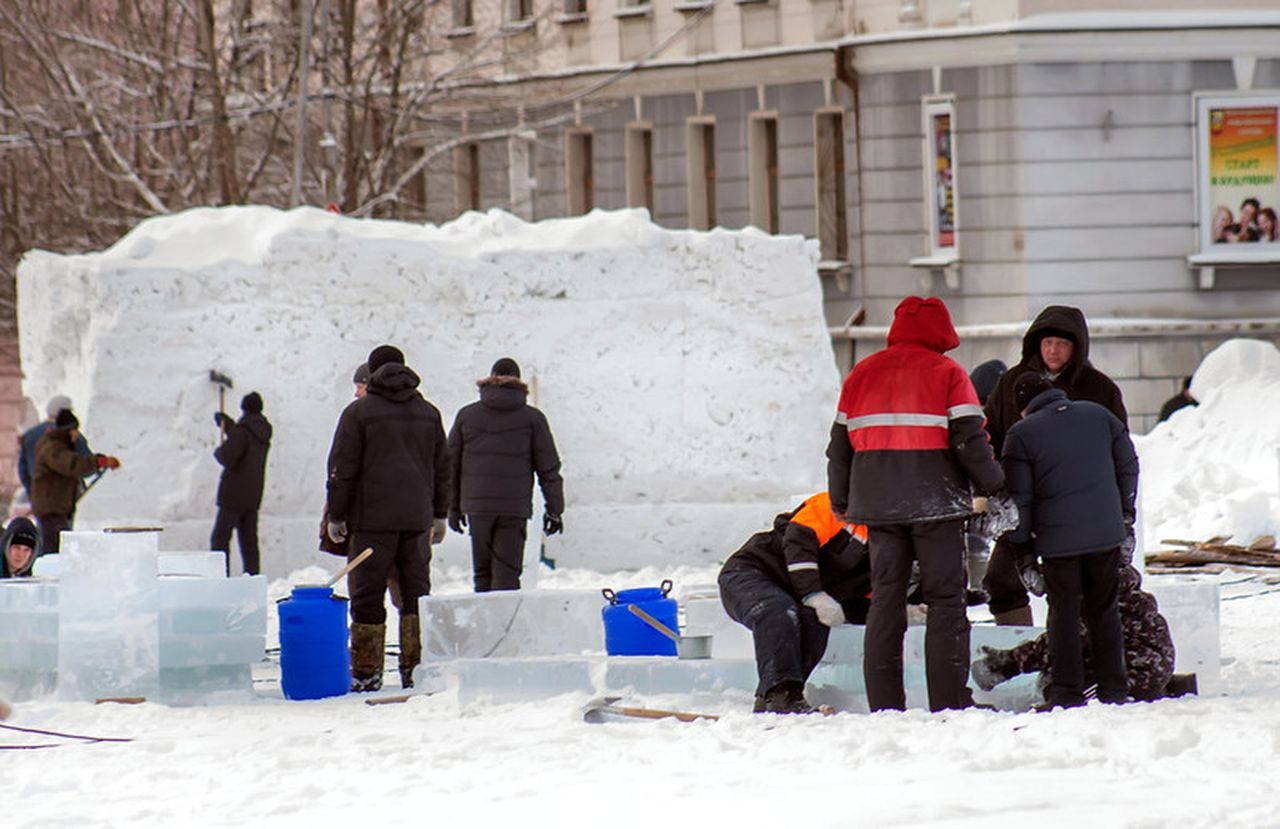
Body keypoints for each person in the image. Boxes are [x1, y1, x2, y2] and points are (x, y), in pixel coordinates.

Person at [826, 296, 1006, 713]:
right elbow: (969, 439)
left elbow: (839, 448)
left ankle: (886, 705)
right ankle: (949, 701)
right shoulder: (947, 372)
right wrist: (994, 484)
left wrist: (842, 500)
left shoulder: (861, 374)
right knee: (946, 600)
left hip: (878, 507)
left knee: (887, 598)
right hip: (936, 504)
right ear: (941, 332)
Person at [981, 305, 1127, 626]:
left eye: (1062, 343)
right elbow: (988, 437)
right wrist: (993, 489)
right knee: (1001, 581)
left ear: (1077, 347)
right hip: (1023, 502)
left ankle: (1072, 654)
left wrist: (1119, 510)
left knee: (1073, 589)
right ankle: (1020, 648)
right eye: (1047, 342)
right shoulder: (1011, 383)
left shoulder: (1099, 390)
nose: (1053, 350)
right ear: (1036, 343)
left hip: (1078, 507)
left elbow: (1121, 453)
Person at [999, 373, 1137, 709]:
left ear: (1023, 408)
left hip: (1058, 543)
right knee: (1104, 611)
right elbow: (1128, 466)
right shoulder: (1099, 415)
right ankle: (1114, 689)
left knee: (1063, 614)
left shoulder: (1022, 434)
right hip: (1105, 535)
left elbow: (1020, 501)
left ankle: (1067, 692)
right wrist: (1124, 514)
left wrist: (1023, 552)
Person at [326, 344, 450, 692]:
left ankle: (367, 673)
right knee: (415, 595)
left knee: (367, 597)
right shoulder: (429, 413)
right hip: (416, 522)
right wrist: (439, 514)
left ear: (372, 372)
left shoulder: (358, 413)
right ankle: (415, 670)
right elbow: (443, 468)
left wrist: (336, 514)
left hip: (371, 523)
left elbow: (342, 469)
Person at [718, 491, 871, 714]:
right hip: (753, 571)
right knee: (776, 611)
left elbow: (863, 602)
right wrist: (813, 594)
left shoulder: (891, 545)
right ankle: (782, 695)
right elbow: (799, 541)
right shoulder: (836, 503)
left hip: (797, 594)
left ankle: (777, 698)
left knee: (814, 620)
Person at [971, 564, 1176, 702]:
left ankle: (1132, 696)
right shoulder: (1129, 596)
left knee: (1063, 693)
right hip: (1145, 667)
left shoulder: (1101, 601)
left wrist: (1009, 663)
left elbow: (1064, 641)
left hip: (1135, 674)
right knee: (1058, 675)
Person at [447, 357, 564, 592]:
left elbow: (451, 466)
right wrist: (555, 510)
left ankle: (486, 626)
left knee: (482, 573)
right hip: (514, 507)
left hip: (477, 507)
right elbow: (548, 468)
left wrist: (452, 507)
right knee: (507, 576)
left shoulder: (466, 415)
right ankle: (503, 626)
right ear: (519, 383)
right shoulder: (533, 418)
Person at [32, 410, 119, 554]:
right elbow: (72, 464)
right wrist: (99, 461)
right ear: (67, 430)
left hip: (57, 509)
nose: (76, 434)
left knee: (59, 549)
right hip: (51, 509)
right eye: (74, 430)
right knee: (54, 552)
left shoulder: (55, 445)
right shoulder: (52, 448)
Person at [210, 392, 273, 576]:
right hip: (252, 496)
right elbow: (245, 440)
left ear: (244, 408)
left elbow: (228, 456)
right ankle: (252, 578)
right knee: (248, 542)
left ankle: (219, 578)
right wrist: (229, 425)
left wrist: (219, 451)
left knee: (220, 540)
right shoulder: (263, 432)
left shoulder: (242, 431)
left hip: (233, 495)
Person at [18, 394, 91, 500]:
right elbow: (86, 467)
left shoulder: (28, 436)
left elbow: (23, 470)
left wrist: (32, 492)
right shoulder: (71, 434)